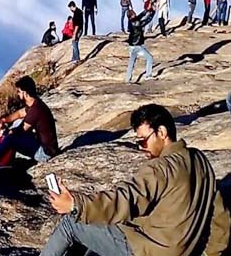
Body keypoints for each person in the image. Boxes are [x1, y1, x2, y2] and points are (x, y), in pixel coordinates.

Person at [41, 104, 230, 256]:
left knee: (71, 224)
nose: (141, 148)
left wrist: (75, 204)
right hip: (177, 249)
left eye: (143, 141)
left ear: (162, 133)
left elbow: (126, 199)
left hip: (149, 248)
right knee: (100, 231)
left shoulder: (161, 168)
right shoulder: (199, 160)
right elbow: (220, 217)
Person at [0, 76, 59, 167]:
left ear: (25, 93)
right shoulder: (35, 104)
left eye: (19, 92)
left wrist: (3, 134)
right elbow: (20, 113)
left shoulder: (36, 110)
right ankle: (4, 160)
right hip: (46, 146)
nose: (18, 94)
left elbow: (20, 131)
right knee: (15, 126)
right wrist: (3, 120)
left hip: (45, 153)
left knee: (11, 138)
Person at [125, 9, 154, 82]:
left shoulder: (131, 21)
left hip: (132, 45)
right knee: (149, 58)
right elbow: (146, 21)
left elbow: (139, 16)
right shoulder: (136, 23)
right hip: (137, 46)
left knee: (131, 63)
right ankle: (148, 75)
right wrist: (152, 13)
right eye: (134, 14)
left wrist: (146, 11)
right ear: (131, 16)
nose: (135, 14)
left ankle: (128, 79)